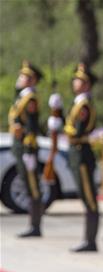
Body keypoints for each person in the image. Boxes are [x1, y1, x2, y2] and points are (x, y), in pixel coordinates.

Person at [50, 63, 100, 251]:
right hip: (76, 152)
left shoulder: (84, 105)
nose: (74, 82)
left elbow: (77, 131)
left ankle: (90, 240)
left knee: (89, 198)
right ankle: (88, 239)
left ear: (86, 84)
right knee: (85, 197)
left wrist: (61, 124)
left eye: (78, 80)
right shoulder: (78, 103)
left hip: (82, 153)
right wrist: (59, 114)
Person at [10, 61, 43, 238]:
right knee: (28, 186)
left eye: (24, 76)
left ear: (32, 80)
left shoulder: (30, 99)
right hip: (21, 146)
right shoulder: (22, 97)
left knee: (33, 187)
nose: (20, 79)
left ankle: (35, 226)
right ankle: (33, 225)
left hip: (27, 147)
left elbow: (31, 125)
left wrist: (29, 149)